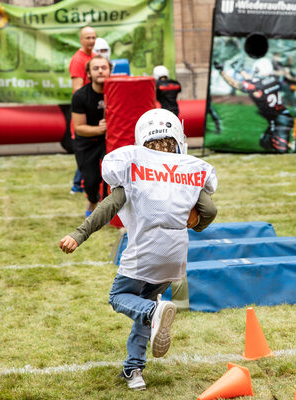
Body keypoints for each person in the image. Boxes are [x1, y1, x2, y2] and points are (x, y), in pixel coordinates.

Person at [59, 108, 218, 391]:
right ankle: (134, 370)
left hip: (144, 252)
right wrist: (196, 224)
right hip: (174, 258)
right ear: (178, 139)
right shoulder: (187, 169)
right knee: (148, 306)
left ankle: (151, 313)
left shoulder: (133, 166)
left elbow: (107, 207)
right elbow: (209, 209)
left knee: (120, 297)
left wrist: (79, 234)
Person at [213, 58, 294, 153]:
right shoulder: (273, 79)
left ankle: (294, 145)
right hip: (280, 117)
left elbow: (234, 83)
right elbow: (253, 80)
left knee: (281, 149)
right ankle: (287, 143)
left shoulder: (258, 85)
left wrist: (222, 71)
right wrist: (241, 71)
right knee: (265, 142)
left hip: (281, 120)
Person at [71, 55, 111, 216]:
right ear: (88, 74)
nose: (100, 71)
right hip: (87, 142)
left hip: (109, 141)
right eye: (96, 68)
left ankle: (108, 210)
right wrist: (100, 129)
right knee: (91, 180)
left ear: (110, 71)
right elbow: (79, 128)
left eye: (104, 67)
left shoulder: (117, 91)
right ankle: (92, 201)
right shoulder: (80, 96)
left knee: (112, 175)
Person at [65, 26, 97, 194]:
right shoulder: (78, 60)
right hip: (84, 112)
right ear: (81, 40)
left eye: (93, 37)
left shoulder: (94, 57)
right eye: (88, 38)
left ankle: (79, 184)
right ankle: (78, 185)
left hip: (94, 110)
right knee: (85, 151)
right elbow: (78, 90)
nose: (91, 41)